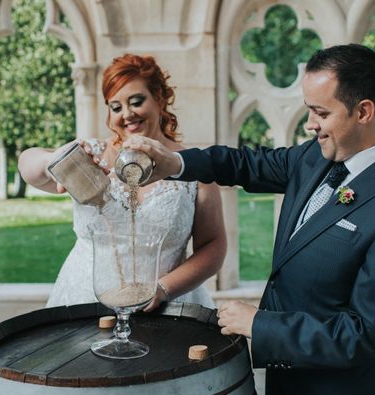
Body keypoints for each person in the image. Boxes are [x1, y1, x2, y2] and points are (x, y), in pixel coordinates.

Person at [125, 44, 375, 395]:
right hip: (285, 382)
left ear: (364, 110)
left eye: (320, 112)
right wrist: (175, 163)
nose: (311, 124)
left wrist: (260, 326)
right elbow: (245, 163)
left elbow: (368, 334)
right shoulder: (318, 153)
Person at [19, 53, 226, 309]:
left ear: (159, 99)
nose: (127, 114)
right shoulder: (89, 158)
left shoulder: (191, 166)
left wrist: (162, 290)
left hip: (168, 305)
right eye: (115, 107)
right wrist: (54, 161)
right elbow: (27, 165)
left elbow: (213, 246)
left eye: (136, 101)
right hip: (85, 299)